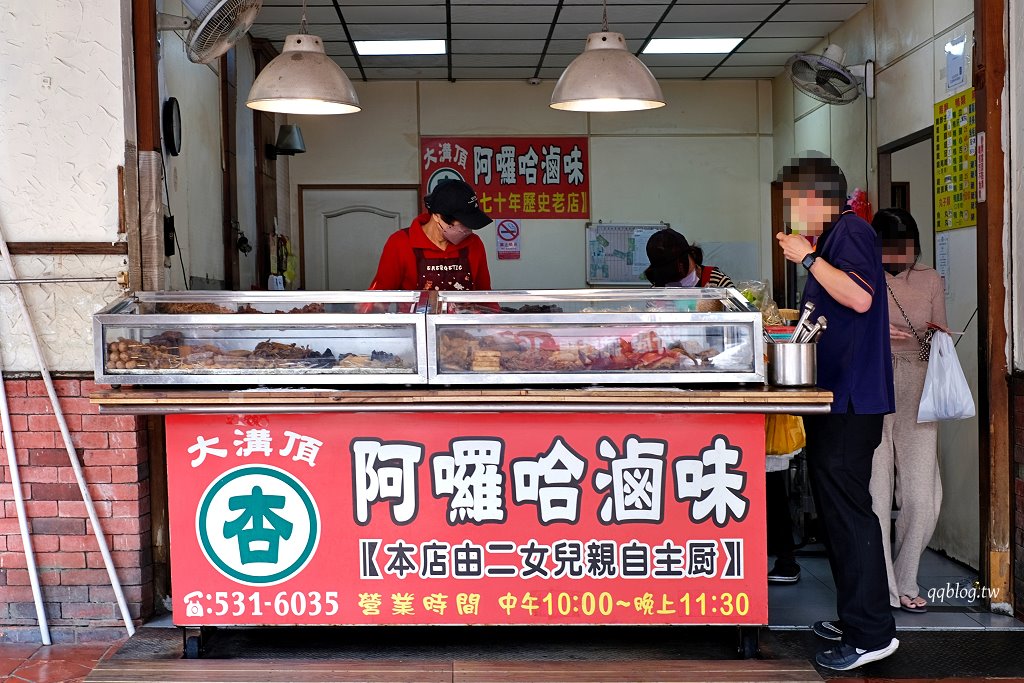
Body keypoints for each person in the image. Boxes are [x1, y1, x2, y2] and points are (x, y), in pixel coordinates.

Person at [775, 155, 898, 671]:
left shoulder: (850, 233)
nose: (790, 212)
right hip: (836, 396)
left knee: (849, 514)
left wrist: (806, 259)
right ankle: (855, 617)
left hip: (851, 399)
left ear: (817, 199)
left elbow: (861, 298)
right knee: (838, 512)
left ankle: (872, 633)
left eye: (793, 201)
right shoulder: (834, 240)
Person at [868, 207, 948, 615]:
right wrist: (879, 333)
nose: (903, 257)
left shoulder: (931, 279)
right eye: (895, 250)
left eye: (910, 249)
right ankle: (882, 587)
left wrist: (941, 338)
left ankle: (906, 578)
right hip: (873, 381)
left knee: (924, 494)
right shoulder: (859, 278)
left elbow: (938, 333)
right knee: (876, 494)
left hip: (919, 383)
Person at [369, 178, 492, 291]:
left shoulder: (474, 244)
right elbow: (380, 296)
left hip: (464, 316)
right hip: (415, 315)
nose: (467, 230)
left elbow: (486, 298)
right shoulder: (400, 243)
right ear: (437, 216)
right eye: (463, 223)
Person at [643, 228, 734, 288]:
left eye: (679, 274)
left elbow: (736, 315)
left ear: (691, 255)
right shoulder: (656, 291)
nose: (677, 282)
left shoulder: (718, 283)